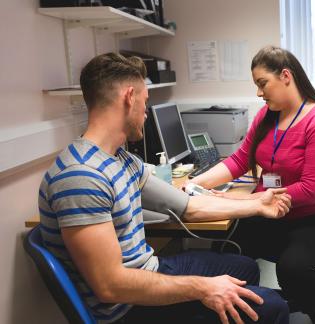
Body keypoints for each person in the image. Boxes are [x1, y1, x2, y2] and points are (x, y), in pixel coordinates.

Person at [37, 52, 292, 324]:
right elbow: (110, 286)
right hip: (127, 309)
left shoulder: (121, 160)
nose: (146, 114)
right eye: (145, 103)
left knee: (244, 268)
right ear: (129, 97)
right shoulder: (81, 177)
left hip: (149, 269)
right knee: (273, 307)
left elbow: (189, 207)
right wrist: (203, 288)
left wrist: (256, 205)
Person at [190, 45, 315, 324]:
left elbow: (311, 190)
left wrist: (242, 201)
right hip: (271, 211)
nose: (258, 93)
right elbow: (239, 161)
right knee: (226, 249)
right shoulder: (267, 117)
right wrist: (192, 185)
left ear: (286, 76)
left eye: (262, 83)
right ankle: (243, 311)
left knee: (293, 269)